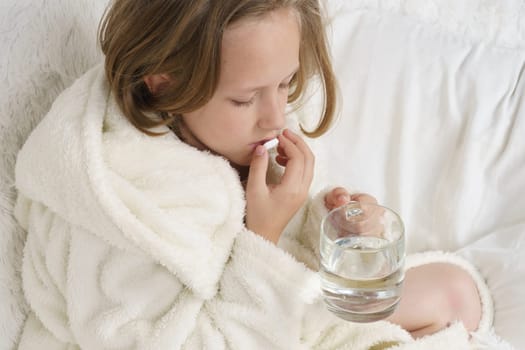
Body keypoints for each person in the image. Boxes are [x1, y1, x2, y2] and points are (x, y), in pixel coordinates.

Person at [14, 0, 491, 348]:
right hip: (240, 332)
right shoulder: (115, 206)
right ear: (162, 82)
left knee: (455, 291)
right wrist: (263, 239)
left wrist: (326, 222)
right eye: (245, 99)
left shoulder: (212, 129)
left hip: (276, 310)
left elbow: (258, 234)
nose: (276, 117)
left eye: (285, 84)